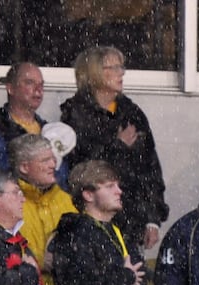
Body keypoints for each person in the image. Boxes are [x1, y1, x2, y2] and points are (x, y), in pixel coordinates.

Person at [61, 45, 168, 249]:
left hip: (132, 219)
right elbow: (80, 169)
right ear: (94, 73)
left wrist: (152, 218)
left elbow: (150, 169)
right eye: (113, 67)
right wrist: (116, 146)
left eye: (122, 67)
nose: (122, 73)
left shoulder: (131, 112)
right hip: (91, 220)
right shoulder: (75, 114)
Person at [10, 132, 75, 285]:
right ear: (24, 167)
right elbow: (2, 255)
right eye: (45, 160)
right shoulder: (9, 204)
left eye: (53, 159)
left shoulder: (68, 201)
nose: (53, 165)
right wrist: (39, 261)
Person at [0, 62, 53, 172]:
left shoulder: (50, 130)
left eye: (41, 84)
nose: (38, 90)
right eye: (29, 83)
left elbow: (61, 176)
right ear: (10, 88)